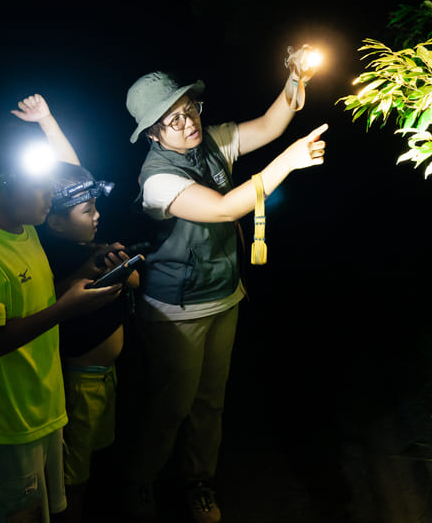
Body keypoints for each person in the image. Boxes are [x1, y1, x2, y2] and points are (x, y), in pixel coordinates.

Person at [122, 67, 327, 523]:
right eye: (172, 120)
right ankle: (139, 482)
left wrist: (296, 76)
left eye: (188, 109)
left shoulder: (211, 139)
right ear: (153, 134)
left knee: (209, 402)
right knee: (171, 405)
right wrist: (287, 162)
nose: (188, 122)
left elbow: (272, 124)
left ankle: (199, 482)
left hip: (224, 293)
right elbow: (222, 208)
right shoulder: (156, 180)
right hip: (176, 308)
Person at [0, 120, 123, 523]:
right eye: (39, 187)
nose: (50, 196)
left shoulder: (26, 231)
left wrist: (82, 273)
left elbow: (37, 302)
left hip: (44, 408)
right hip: (5, 425)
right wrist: (67, 310)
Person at [13, 94, 138, 522]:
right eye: (88, 210)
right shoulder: (50, 254)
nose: (98, 214)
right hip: (79, 380)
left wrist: (48, 122)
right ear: (55, 220)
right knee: (72, 472)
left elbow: (71, 173)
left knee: (95, 455)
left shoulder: (86, 241)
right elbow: (48, 300)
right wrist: (88, 271)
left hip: (105, 376)